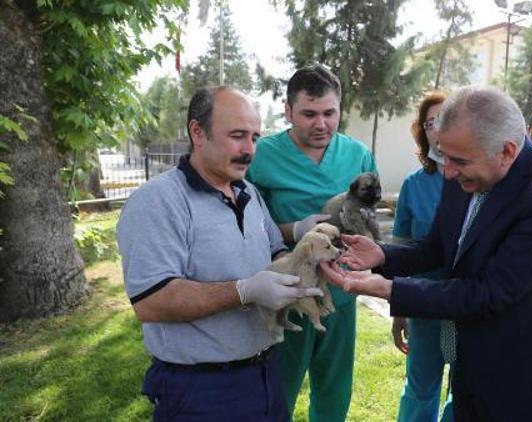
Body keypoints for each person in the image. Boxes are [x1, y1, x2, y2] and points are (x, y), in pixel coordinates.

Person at [321, 86, 532, 421]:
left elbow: (490, 292)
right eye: (443, 156)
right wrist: (383, 257)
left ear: (506, 151)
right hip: (472, 360)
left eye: (458, 161)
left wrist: (388, 289)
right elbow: (438, 247)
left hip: (526, 378)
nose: (447, 171)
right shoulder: (465, 165)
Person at [116, 87, 323, 421]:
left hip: (267, 374)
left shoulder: (249, 193)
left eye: (255, 137)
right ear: (197, 132)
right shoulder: (157, 201)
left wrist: (311, 261)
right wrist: (244, 290)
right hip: (200, 390)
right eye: (238, 136)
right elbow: (151, 301)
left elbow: (277, 252)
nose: (250, 150)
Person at [247, 64, 377, 421]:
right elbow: (241, 222)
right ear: (288, 112)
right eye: (309, 114)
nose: (321, 124)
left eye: (329, 113)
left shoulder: (357, 155)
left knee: (334, 388)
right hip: (285, 287)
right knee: (280, 386)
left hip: (339, 288)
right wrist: (293, 229)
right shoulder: (262, 156)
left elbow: (367, 213)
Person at [391, 91, 454, 422]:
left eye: (445, 119)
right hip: (424, 303)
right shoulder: (414, 185)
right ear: (423, 131)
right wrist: (400, 307)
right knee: (420, 389)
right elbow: (401, 249)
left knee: (464, 393)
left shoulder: (484, 181)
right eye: (431, 123)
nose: (438, 129)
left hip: (468, 307)